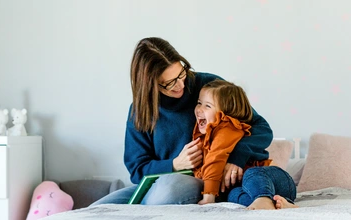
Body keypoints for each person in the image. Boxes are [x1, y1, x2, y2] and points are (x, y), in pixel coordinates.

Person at [91, 37, 273, 206]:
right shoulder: (140, 111)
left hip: (197, 180)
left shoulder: (209, 86)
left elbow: (261, 128)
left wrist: (236, 158)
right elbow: (137, 169)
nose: (181, 85)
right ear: (150, 85)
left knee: (168, 188)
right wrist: (175, 164)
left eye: (181, 74)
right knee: (98, 209)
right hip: (157, 181)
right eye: (169, 83)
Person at [191, 80, 297, 209]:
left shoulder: (227, 127)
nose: (199, 109)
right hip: (255, 190)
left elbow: (215, 159)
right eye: (199, 103)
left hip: (276, 180)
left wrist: (208, 197)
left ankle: (263, 198)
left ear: (226, 113)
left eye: (207, 106)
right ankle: (279, 204)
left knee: (251, 174)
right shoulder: (206, 136)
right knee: (234, 196)